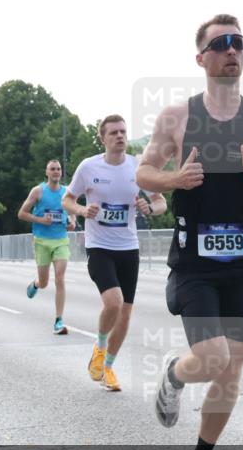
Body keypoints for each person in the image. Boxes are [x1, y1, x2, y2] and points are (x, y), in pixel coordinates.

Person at [136, 14, 243, 450]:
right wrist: (174, 180)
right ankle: (174, 375)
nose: (231, 50)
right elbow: (144, 173)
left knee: (234, 363)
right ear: (201, 58)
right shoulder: (177, 118)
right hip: (195, 262)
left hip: (242, 264)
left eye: (238, 43)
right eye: (220, 43)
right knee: (211, 356)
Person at [63, 115, 166, 391]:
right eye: (114, 132)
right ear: (103, 138)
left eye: (123, 131)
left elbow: (160, 201)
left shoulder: (137, 167)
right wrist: (83, 210)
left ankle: (107, 366)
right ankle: (99, 345)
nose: (120, 136)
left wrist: (149, 208)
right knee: (113, 302)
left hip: (128, 248)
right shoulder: (89, 167)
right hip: (99, 247)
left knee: (126, 314)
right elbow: (68, 199)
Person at [18, 159, 77, 334]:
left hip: (61, 240)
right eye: (52, 169)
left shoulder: (67, 192)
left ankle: (59, 321)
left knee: (60, 278)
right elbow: (21, 214)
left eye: (58, 169)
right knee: (44, 282)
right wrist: (40, 220)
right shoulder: (38, 191)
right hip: (42, 241)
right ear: (47, 172)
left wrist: (72, 222)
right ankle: (36, 284)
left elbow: (72, 210)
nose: (56, 172)